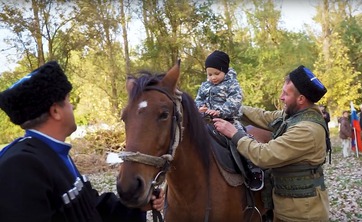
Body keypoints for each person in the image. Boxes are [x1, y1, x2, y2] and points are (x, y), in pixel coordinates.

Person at [0, 61, 164, 222]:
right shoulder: (20, 165)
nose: (72, 107)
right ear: (56, 111)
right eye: (68, 100)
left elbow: (91, 208)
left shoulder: (52, 153)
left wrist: (137, 205)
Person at [213, 65, 330, 221]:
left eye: (285, 94)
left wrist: (234, 134)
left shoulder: (307, 130)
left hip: (302, 214)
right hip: (286, 207)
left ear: (301, 99)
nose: (281, 97)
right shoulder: (295, 116)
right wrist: (229, 108)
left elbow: (264, 155)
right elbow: (264, 116)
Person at [195, 50, 264, 191]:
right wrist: (199, 108)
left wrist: (220, 111)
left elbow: (235, 102)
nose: (213, 77)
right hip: (208, 121)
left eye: (216, 73)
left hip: (229, 120)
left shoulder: (232, 85)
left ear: (224, 71)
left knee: (242, 140)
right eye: (209, 74)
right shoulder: (204, 86)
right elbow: (199, 99)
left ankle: (254, 170)